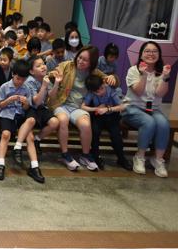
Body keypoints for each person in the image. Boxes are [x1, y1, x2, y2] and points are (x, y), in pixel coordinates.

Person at [48, 45, 118, 172]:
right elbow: (53, 73)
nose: (80, 61)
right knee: (63, 120)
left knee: (86, 124)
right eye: (79, 57)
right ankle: (65, 154)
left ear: (91, 62)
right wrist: (54, 74)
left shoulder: (94, 72)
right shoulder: (67, 65)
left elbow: (110, 80)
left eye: (85, 60)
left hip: (78, 107)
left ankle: (85, 155)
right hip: (61, 104)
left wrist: (113, 77)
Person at [121, 42, 172, 177]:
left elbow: (160, 93)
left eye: (154, 51)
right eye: (147, 51)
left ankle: (158, 159)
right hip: (132, 107)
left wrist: (165, 77)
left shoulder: (161, 72)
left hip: (153, 109)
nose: (151, 54)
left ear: (159, 54)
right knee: (149, 122)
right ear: (141, 54)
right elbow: (138, 91)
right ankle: (140, 156)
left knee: (163, 124)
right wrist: (143, 75)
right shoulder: (133, 70)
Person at [0, 59, 43, 183]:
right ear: (13, 74)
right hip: (6, 114)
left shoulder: (26, 88)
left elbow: (26, 108)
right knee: (5, 134)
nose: (20, 81)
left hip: (20, 115)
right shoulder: (5, 87)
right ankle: (1, 164)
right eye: (18, 78)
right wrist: (9, 100)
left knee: (30, 137)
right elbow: (0, 105)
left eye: (23, 79)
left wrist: (26, 103)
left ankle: (35, 167)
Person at [14, 57, 61, 165]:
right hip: (30, 107)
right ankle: (18, 147)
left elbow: (51, 96)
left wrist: (56, 83)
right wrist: (44, 86)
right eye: (38, 66)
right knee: (31, 121)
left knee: (55, 122)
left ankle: (37, 139)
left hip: (41, 108)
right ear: (31, 71)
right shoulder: (30, 81)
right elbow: (36, 102)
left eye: (43, 64)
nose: (43, 67)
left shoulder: (45, 78)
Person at [81, 74, 131, 171]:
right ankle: (96, 156)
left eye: (102, 88)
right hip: (98, 116)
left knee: (116, 135)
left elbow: (122, 106)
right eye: (97, 91)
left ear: (104, 83)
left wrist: (108, 109)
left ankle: (121, 158)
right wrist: (96, 108)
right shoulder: (91, 93)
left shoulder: (110, 90)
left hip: (112, 116)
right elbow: (83, 106)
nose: (100, 92)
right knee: (95, 132)